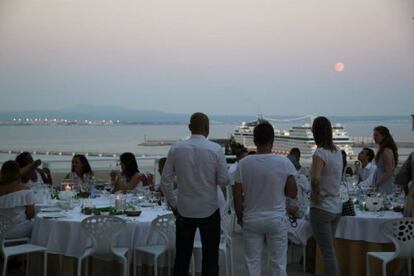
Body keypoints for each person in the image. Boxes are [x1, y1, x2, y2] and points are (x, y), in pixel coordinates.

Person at [161, 112, 230, 276]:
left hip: (184, 209)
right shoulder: (215, 149)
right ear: (208, 129)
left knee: (182, 258)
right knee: (210, 259)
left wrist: (174, 203)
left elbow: (165, 182)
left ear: (190, 127)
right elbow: (224, 180)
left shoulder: (176, 148)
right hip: (210, 209)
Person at [233, 122, 297, 276]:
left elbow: (236, 195)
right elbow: (292, 193)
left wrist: (241, 218)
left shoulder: (242, 164)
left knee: (253, 264)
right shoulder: (284, 163)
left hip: (252, 219)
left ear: (254, 141)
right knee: (278, 265)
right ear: (273, 140)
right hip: (276, 219)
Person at [309, 116, 343, 276]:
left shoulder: (320, 153)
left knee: (327, 254)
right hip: (336, 207)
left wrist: (315, 195)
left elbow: (316, 178)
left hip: (322, 208)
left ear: (315, 132)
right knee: (330, 251)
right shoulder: (336, 152)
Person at [0, 160, 35, 239]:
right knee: (37, 224)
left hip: (1, 231)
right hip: (17, 230)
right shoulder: (25, 190)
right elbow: (30, 214)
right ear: (18, 172)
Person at [373, 126, 398, 194]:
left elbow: (389, 172)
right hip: (381, 182)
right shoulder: (382, 149)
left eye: (376, 135)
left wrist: (378, 183)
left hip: (385, 184)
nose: (374, 137)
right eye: (374, 135)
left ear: (383, 136)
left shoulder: (386, 151)